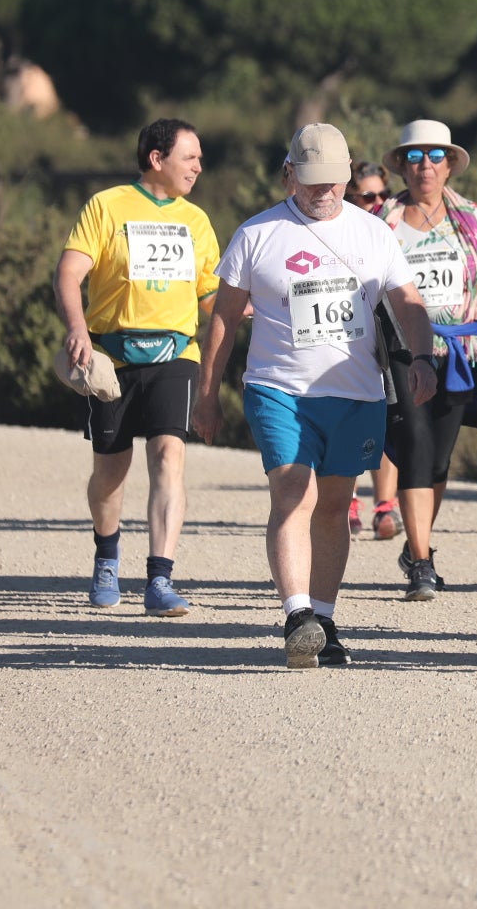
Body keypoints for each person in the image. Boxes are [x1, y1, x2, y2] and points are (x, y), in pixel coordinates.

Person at [195, 125, 438, 667]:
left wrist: (421, 358)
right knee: (294, 493)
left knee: (333, 505)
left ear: (348, 175)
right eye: (310, 182)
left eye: (333, 181)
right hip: (279, 388)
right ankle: (296, 614)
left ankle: (323, 620)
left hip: (355, 394)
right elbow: (225, 318)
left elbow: (407, 300)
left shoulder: (374, 234)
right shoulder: (257, 235)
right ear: (289, 175)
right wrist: (206, 391)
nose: (323, 192)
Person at [55, 119, 219, 616]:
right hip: (112, 356)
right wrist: (79, 329)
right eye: (189, 156)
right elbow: (69, 272)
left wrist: (259, 309)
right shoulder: (106, 206)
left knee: (169, 457)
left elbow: (211, 295)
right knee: (110, 469)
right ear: (156, 158)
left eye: (199, 158)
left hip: (176, 355)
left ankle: (159, 579)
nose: (198, 166)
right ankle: (107, 557)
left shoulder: (197, 220)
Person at [379, 119, 477, 600]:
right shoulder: (383, 221)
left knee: (438, 457)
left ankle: (420, 546)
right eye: (414, 157)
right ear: (402, 166)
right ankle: (420, 561)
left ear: (451, 163)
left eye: (435, 156)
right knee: (414, 445)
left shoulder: (472, 217)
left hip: (460, 348)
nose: (425, 166)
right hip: (401, 347)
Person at [342, 160, 402, 539]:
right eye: (368, 196)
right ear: (350, 196)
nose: (377, 202)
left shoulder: (389, 229)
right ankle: (347, 501)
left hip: (387, 333)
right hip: (344, 335)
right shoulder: (340, 228)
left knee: (386, 416)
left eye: (383, 194)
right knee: (346, 417)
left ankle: (385, 507)